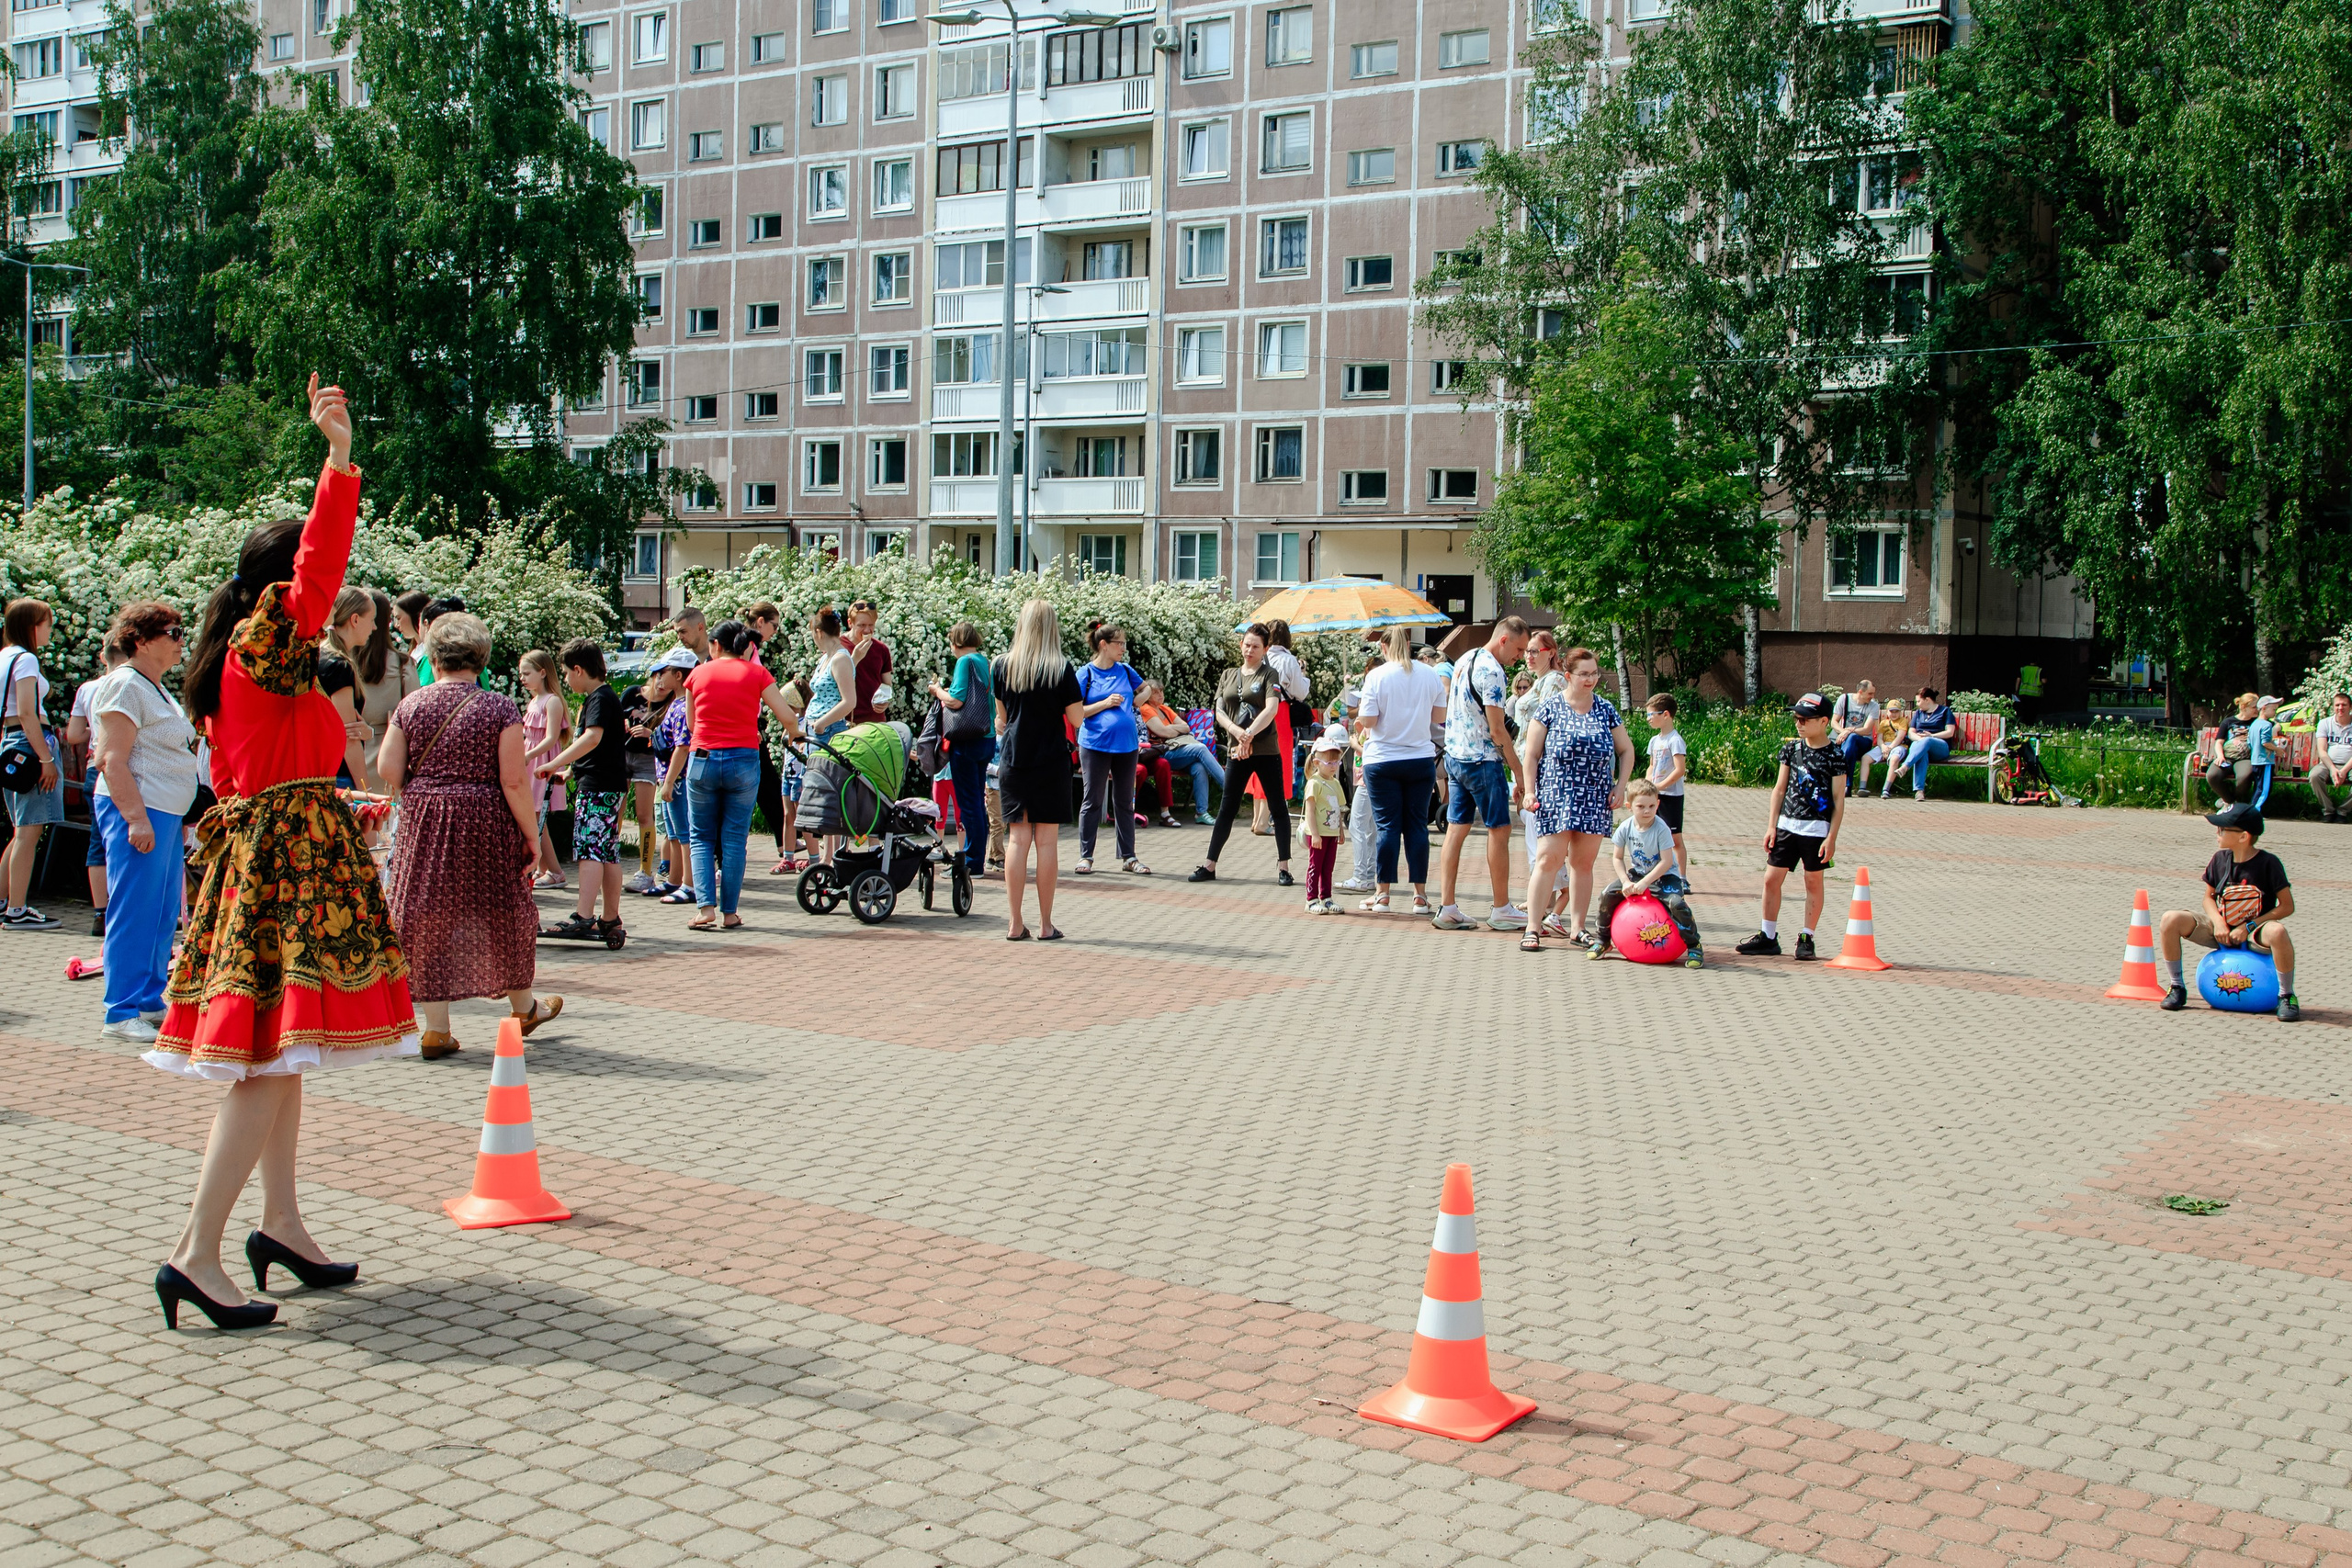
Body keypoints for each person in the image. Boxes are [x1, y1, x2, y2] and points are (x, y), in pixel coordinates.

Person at [151, 375, 419, 1331]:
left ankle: (282, 1227)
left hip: (283, 853)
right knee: (265, 1066)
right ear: (278, 596)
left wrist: (339, 798)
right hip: (282, 871)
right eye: (320, 603)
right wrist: (338, 462)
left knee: (285, 1059)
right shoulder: (268, 639)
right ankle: (196, 1252)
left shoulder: (251, 664)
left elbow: (264, 771)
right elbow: (313, 572)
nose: (335, 615)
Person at [380, 612, 560, 1060]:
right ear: (481, 659)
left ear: (436, 658)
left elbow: (387, 769)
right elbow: (514, 780)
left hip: (424, 817)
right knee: (503, 909)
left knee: (426, 912)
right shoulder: (498, 707)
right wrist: (531, 836)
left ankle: (436, 1029)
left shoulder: (411, 705)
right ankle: (524, 1008)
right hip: (484, 819)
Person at [87, 603, 201, 1040]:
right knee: (134, 908)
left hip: (165, 811)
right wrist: (135, 818)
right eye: (173, 633)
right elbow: (111, 760)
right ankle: (120, 1010)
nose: (180, 642)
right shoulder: (123, 685)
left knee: (161, 911)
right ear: (141, 641)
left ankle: (150, 998)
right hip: (140, 809)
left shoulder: (154, 686)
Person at [673, 620, 803, 931]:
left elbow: (692, 725)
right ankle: (730, 913)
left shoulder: (698, 674)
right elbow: (785, 715)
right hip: (743, 759)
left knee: (701, 837)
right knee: (734, 839)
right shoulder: (756, 673)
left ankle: (706, 909)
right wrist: (795, 733)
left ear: (715, 646)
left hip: (703, 758)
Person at [1519, 646, 1634, 948]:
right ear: (1568, 676)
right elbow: (1531, 755)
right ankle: (1533, 927)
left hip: (1595, 797)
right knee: (1547, 860)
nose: (1591, 679)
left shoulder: (1605, 709)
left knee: (1583, 865)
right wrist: (1530, 791)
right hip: (1556, 795)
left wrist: (1620, 786)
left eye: (1595, 673)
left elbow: (1626, 750)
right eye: (1584, 674)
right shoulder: (1550, 708)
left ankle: (1578, 928)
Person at [2157, 802, 2299, 1021]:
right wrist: (2219, 923)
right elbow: (2208, 898)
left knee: (2278, 932)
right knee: (2170, 919)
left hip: (2255, 929)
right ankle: (2177, 987)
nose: (2217, 833)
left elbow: (2287, 906)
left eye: (2222, 829)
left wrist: (2249, 926)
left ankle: (2286, 996)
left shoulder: (2269, 863)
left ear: (2243, 836)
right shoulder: (2219, 859)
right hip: (2220, 926)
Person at [994, 598, 1084, 940]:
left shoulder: (1002, 665)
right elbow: (1075, 718)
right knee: (1046, 842)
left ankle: (1015, 923)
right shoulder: (1061, 668)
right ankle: (1046, 924)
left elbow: (1002, 718)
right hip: (1050, 758)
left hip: (1015, 757)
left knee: (1017, 840)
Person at [1434, 615, 1530, 932]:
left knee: (1456, 830)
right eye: (1518, 649)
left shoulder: (1466, 658)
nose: (1519, 657)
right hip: (1483, 760)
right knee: (1499, 830)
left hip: (1456, 756)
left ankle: (1447, 906)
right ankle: (1501, 907)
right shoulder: (1493, 670)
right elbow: (1498, 729)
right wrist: (1518, 771)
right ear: (1503, 640)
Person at [1735, 693, 1847, 961]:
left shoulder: (1835, 755)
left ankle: (1807, 937)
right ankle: (1768, 936)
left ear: (1823, 722)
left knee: (1812, 881)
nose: (1799, 724)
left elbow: (1838, 799)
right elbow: (1779, 788)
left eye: (1805, 719)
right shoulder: (1791, 750)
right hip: (1786, 826)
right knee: (1771, 879)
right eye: (1796, 718)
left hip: (1816, 830)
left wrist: (1831, 837)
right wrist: (1771, 826)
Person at [536, 639, 631, 944]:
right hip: (605, 784)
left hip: (600, 788)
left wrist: (555, 762)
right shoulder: (600, 697)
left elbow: (592, 739)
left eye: (565, 673)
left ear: (578, 669)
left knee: (591, 850)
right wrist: (568, 772)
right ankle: (609, 917)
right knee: (607, 852)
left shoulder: (600, 698)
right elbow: (600, 748)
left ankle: (584, 915)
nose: (565, 679)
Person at [1349, 625, 1449, 912]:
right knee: (1417, 826)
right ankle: (1420, 896)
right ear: (1409, 644)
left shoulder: (1376, 676)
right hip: (1419, 759)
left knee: (1387, 827)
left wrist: (1360, 726)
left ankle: (1382, 894)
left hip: (1382, 760)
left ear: (1383, 647)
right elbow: (1439, 716)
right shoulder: (1430, 674)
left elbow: (1368, 720)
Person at [1189, 625, 1295, 886]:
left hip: (1266, 750)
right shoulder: (1229, 674)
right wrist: (1237, 732)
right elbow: (1220, 710)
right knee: (1227, 808)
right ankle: (1209, 865)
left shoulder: (1269, 673)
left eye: (1256, 646)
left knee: (1278, 808)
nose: (1250, 650)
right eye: (1247, 644)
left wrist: (1248, 734)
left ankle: (1284, 867)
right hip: (1237, 751)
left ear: (1265, 649)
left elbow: (1271, 709)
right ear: (1241, 645)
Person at [1589, 779, 1703, 966]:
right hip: (1638, 873)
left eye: (1652, 806)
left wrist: (1645, 883)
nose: (1647, 811)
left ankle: (1694, 946)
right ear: (1629, 806)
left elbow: (1666, 862)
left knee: (1676, 903)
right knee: (1606, 894)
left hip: (1665, 876)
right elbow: (1617, 858)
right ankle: (1603, 940)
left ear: (1658, 804)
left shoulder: (1661, 829)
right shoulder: (1625, 827)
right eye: (1641, 806)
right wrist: (1626, 882)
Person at [2, 596, 64, 930]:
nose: (49, 630)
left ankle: (5, 903)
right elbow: (28, 711)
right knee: (29, 832)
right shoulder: (25, 660)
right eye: (46, 624)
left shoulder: (4, 657)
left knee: (19, 832)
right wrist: (46, 758)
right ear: (32, 626)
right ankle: (17, 910)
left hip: (9, 743)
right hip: (29, 742)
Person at [1075, 624, 1148, 875]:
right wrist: (1105, 703)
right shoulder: (1085, 674)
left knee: (1125, 802)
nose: (1123, 649)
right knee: (1092, 800)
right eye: (1119, 644)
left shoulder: (1126, 670)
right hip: (1095, 745)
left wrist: (1140, 698)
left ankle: (1129, 857)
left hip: (1127, 745)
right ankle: (1086, 856)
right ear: (1104, 644)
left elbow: (1145, 688)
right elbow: (1075, 713)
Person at [66, 644, 129, 936]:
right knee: (127, 841)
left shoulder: (88, 689)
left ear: (103, 656)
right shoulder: (133, 683)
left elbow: (73, 735)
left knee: (98, 842)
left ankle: (99, 913)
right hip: (125, 769)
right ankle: (125, 910)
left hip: (95, 769)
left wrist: (96, 730)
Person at [928, 622, 994, 882]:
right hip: (986, 737)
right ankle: (977, 857)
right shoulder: (984, 661)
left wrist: (937, 691)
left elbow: (956, 700)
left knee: (968, 804)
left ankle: (972, 863)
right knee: (978, 801)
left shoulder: (964, 662)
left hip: (966, 741)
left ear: (955, 643)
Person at [740, 602, 795, 874]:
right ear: (760, 622)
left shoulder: (752, 647)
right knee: (765, 785)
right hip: (745, 727)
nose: (775, 631)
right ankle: (784, 845)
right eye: (774, 626)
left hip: (751, 724)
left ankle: (784, 844)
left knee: (767, 785)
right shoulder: (747, 646)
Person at [1247, 619, 1311, 836]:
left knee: (1258, 762)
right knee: (1275, 764)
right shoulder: (1288, 660)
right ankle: (1264, 821)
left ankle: (1257, 818)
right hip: (1279, 713)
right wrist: (1304, 676)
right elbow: (1300, 693)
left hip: (1256, 712)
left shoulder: (1260, 657)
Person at [646, 648, 698, 901]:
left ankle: (689, 884)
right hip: (671, 778)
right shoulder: (677, 704)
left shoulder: (681, 707)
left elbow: (683, 746)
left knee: (685, 833)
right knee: (675, 833)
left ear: (678, 675)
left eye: (662, 672)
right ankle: (675, 879)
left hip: (676, 779)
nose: (658, 678)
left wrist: (668, 783)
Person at [517, 649, 571, 888]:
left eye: (527, 673)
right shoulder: (534, 700)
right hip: (531, 761)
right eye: (520, 674)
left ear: (542, 672)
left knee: (538, 818)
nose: (522, 678)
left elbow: (551, 738)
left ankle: (556, 872)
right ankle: (543, 868)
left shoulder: (552, 701)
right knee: (533, 816)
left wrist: (529, 754)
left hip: (541, 762)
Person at [1138, 679, 1223, 825]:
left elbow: (1186, 728)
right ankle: (1229, 787)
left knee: (1199, 767)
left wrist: (1170, 730)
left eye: (1161, 691)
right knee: (1201, 749)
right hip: (1163, 752)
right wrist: (1172, 730)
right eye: (1155, 693)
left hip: (1178, 750)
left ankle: (1201, 813)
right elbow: (1162, 732)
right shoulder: (1146, 709)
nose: (1160, 695)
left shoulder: (1164, 709)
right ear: (1146, 696)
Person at [317, 586, 377, 787]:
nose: (374, 628)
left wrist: (367, 732)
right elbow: (348, 738)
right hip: (339, 777)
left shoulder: (318, 655)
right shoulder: (339, 666)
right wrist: (365, 792)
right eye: (372, 619)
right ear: (355, 619)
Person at [1645, 693, 1690, 886]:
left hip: (1671, 796)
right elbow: (1652, 766)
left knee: (1675, 838)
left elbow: (1680, 770)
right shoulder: (1655, 741)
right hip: (1656, 796)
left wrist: (1660, 786)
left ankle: (1682, 878)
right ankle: (1657, 875)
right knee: (1654, 834)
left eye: (1651, 714)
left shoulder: (1675, 740)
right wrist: (1648, 785)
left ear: (1666, 715)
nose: (1648, 719)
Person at [1300, 727, 1348, 913]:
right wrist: (1315, 834)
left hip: (1332, 833)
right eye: (1329, 762)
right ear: (1317, 763)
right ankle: (1311, 899)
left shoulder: (1335, 784)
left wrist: (1341, 831)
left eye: (1336, 762)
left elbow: (1339, 810)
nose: (1334, 766)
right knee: (1315, 866)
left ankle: (1326, 897)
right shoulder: (1314, 783)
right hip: (1318, 834)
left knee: (1328, 867)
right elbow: (1310, 811)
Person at [1900, 686, 1959, 800]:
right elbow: (1911, 733)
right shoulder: (1918, 713)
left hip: (1940, 747)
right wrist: (1920, 739)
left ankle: (1905, 766)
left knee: (1926, 741)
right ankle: (1919, 792)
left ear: (1927, 700)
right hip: (1922, 746)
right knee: (1922, 753)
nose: (1917, 704)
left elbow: (1950, 732)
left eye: (1918, 701)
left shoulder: (1945, 711)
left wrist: (1931, 736)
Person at [2310, 693, 2352, 822]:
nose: (2340, 708)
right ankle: (2328, 811)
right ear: (2333, 707)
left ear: (2350, 707)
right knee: (2314, 775)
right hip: (2328, 764)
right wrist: (2333, 769)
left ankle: (2343, 812)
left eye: (2344, 705)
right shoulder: (2325, 723)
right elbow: (2322, 751)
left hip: (2350, 765)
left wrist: (2344, 771)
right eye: (2337, 705)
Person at [849, 597, 892, 724]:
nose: (867, 630)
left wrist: (885, 700)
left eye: (871, 625)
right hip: (846, 721)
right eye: (862, 625)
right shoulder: (839, 647)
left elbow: (887, 684)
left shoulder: (881, 649)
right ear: (850, 623)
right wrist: (854, 659)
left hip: (875, 721)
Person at [1831, 682, 1881, 788]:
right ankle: (1847, 786)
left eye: (1873, 694)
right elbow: (1834, 722)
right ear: (1860, 692)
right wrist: (1843, 732)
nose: (1872, 697)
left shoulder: (1874, 706)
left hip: (1863, 741)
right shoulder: (1844, 699)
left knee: (1852, 738)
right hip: (1844, 740)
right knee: (1851, 747)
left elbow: (1867, 730)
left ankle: (1841, 776)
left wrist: (1849, 731)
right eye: (1870, 694)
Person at [1857, 699, 1907, 798]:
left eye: (1896, 711)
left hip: (1898, 746)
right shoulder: (1883, 723)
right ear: (1887, 712)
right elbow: (1879, 738)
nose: (1894, 714)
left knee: (1894, 759)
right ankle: (1862, 788)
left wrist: (1889, 748)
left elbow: (1900, 737)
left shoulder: (1903, 721)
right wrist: (1883, 747)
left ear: (1900, 712)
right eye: (1891, 711)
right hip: (1883, 746)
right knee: (1865, 758)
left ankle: (1886, 789)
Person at [392, 591, 432, 686]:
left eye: (399, 618)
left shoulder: (430, 652)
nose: (396, 625)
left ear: (417, 615)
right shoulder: (416, 650)